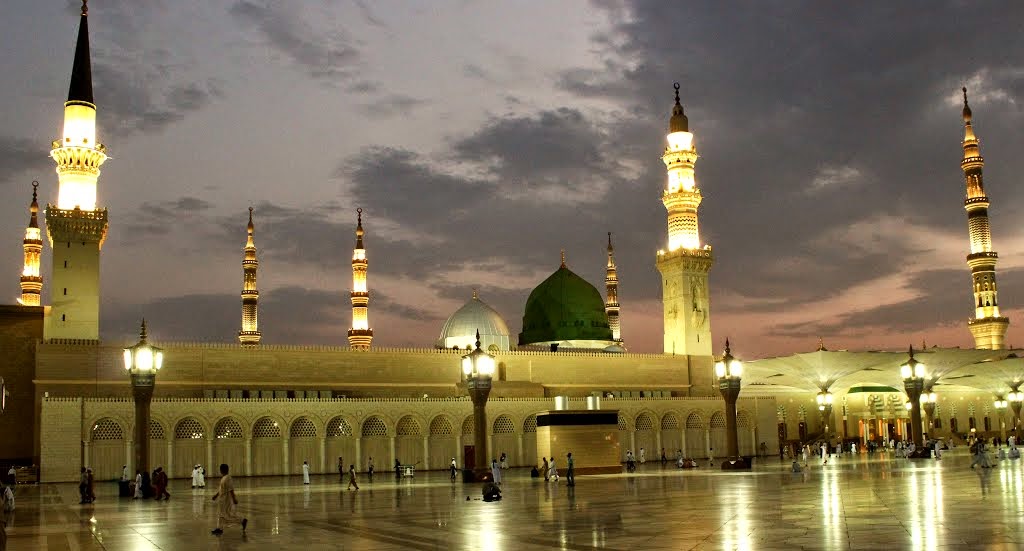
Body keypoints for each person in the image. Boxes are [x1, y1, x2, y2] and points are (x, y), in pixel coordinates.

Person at [211, 463, 247, 535]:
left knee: (227, 516)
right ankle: (219, 528)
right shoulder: (224, 478)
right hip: (222, 499)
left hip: (226, 500)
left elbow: (231, 489)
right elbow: (221, 489)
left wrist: (234, 499)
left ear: (222, 470)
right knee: (221, 515)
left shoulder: (227, 478)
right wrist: (216, 495)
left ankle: (242, 521)